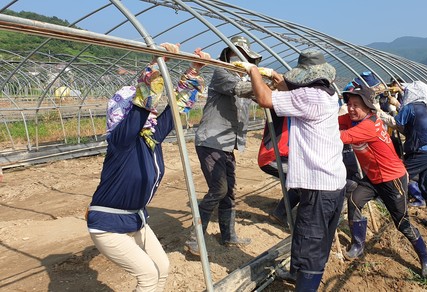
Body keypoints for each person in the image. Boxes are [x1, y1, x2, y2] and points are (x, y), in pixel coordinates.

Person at [87, 43, 206, 292]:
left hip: (136, 218)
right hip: (108, 225)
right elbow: (141, 106)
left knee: (162, 268)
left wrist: (193, 71)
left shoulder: (151, 138)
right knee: (148, 276)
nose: (150, 114)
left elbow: (175, 109)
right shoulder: (122, 141)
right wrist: (157, 63)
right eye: (141, 111)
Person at [235, 49, 347, 291]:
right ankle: (299, 276)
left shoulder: (310, 97)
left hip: (319, 185)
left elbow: (265, 99)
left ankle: (304, 282)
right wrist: (284, 84)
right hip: (332, 182)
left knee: (310, 247)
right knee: (313, 240)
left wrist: (253, 71)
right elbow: (296, 96)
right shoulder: (327, 94)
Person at [338, 87, 427, 278]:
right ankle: (358, 245)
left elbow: (339, 137)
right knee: (355, 201)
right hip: (373, 178)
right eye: (348, 104)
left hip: (392, 179)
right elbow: (335, 122)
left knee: (402, 223)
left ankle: (425, 259)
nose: (350, 108)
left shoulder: (368, 126)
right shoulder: (355, 119)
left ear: (367, 107)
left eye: (355, 105)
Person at [186, 36, 260, 253]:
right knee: (218, 189)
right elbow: (243, 89)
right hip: (211, 140)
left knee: (228, 192)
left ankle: (228, 236)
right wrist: (260, 80)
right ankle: (194, 239)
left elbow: (260, 95)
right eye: (238, 55)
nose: (242, 60)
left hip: (227, 144)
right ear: (228, 55)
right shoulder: (222, 73)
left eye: (245, 57)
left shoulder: (247, 81)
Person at [394, 81, 427, 230]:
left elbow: (397, 122)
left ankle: (396, 207)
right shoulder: (424, 108)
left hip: (425, 151)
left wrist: (383, 115)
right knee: (425, 184)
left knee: (400, 174)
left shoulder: (410, 107)